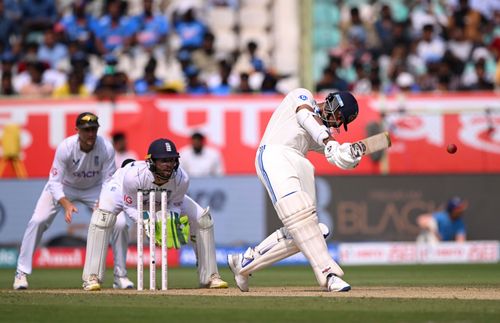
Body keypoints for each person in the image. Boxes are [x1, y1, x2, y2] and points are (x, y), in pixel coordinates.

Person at [227, 89, 362, 292]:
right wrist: (330, 142)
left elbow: (332, 154)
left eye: (340, 122)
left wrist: (348, 156)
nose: (335, 123)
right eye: (338, 117)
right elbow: (304, 115)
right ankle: (329, 274)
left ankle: (245, 264)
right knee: (298, 214)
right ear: (333, 103)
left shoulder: (322, 131)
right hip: (274, 153)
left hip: (300, 161)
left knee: (312, 229)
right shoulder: (302, 96)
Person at [82, 138, 228, 290]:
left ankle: (210, 277)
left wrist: (168, 220)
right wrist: (147, 222)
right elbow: (130, 206)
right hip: (120, 191)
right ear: (151, 162)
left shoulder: (181, 178)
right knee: (101, 220)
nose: (169, 165)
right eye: (164, 160)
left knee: (203, 220)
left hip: (163, 198)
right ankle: (92, 277)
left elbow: (175, 205)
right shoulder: (133, 177)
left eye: (172, 160)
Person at [13, 112, 133, 290]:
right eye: (86, 130)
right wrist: (66, 203)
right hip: (64, 186)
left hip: (94, 189)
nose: (90, 134)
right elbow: (54, 182)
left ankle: (120, 276)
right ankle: (21, 273)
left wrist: (102, 201)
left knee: (121, 223)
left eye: (93, 129)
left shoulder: (106, 147)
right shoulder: (66, 147)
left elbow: (109, 181)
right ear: (77, 130)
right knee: (38, 220)